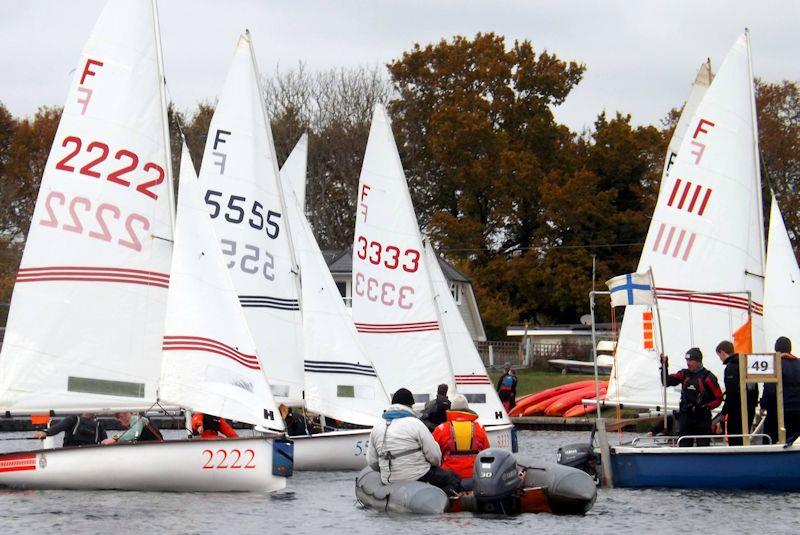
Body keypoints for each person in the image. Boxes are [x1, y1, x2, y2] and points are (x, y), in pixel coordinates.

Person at [367, 388, 462, 496]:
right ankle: (441, 500)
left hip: (388, 479)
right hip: (417, 476)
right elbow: (435, 457)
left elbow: (372, 462)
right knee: (454, 479)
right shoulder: (416, 424)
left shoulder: (377, 428)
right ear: (410, 406)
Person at [660, 348, 723, 447]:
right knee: (684, 446)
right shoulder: (684, 374)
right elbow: (666, 382)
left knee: (703, 447)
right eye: (687, 361)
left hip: (702, 418)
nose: (688, 363)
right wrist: (664, 366)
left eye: (691, 361)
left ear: (698, 361)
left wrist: (705, 407)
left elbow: (718, 398)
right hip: (686, 417)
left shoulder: (708, 377)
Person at [432, 394, 490, 480]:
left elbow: (433, 455)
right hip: (475, 475)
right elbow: (487, 452)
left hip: (449, 477)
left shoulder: (441, 429)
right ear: (468, 410)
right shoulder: (479, 428)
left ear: (451, 410)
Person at [716, 340, 758, 445]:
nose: (720, 359)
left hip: (736, 412)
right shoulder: (747, 365)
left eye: (719, 356)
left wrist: (724, 411)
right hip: (750, 409)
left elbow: (732, 392)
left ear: (722, 352)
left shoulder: (731, 367)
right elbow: (755, 389)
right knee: (745, 439)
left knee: (735, 440)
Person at [761, 336, 800, 443]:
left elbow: (769, 390)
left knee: (771, 442)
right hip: (798, 410)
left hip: (779, 412)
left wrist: (763, 405)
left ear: (776, 349)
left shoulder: (773, 365)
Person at [32, 413, 107, 446]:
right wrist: (46, 433)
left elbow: (106, 442)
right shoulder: (73, 419)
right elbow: (59, 427)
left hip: (90, 455)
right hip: (71, 452)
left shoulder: (98, 425)